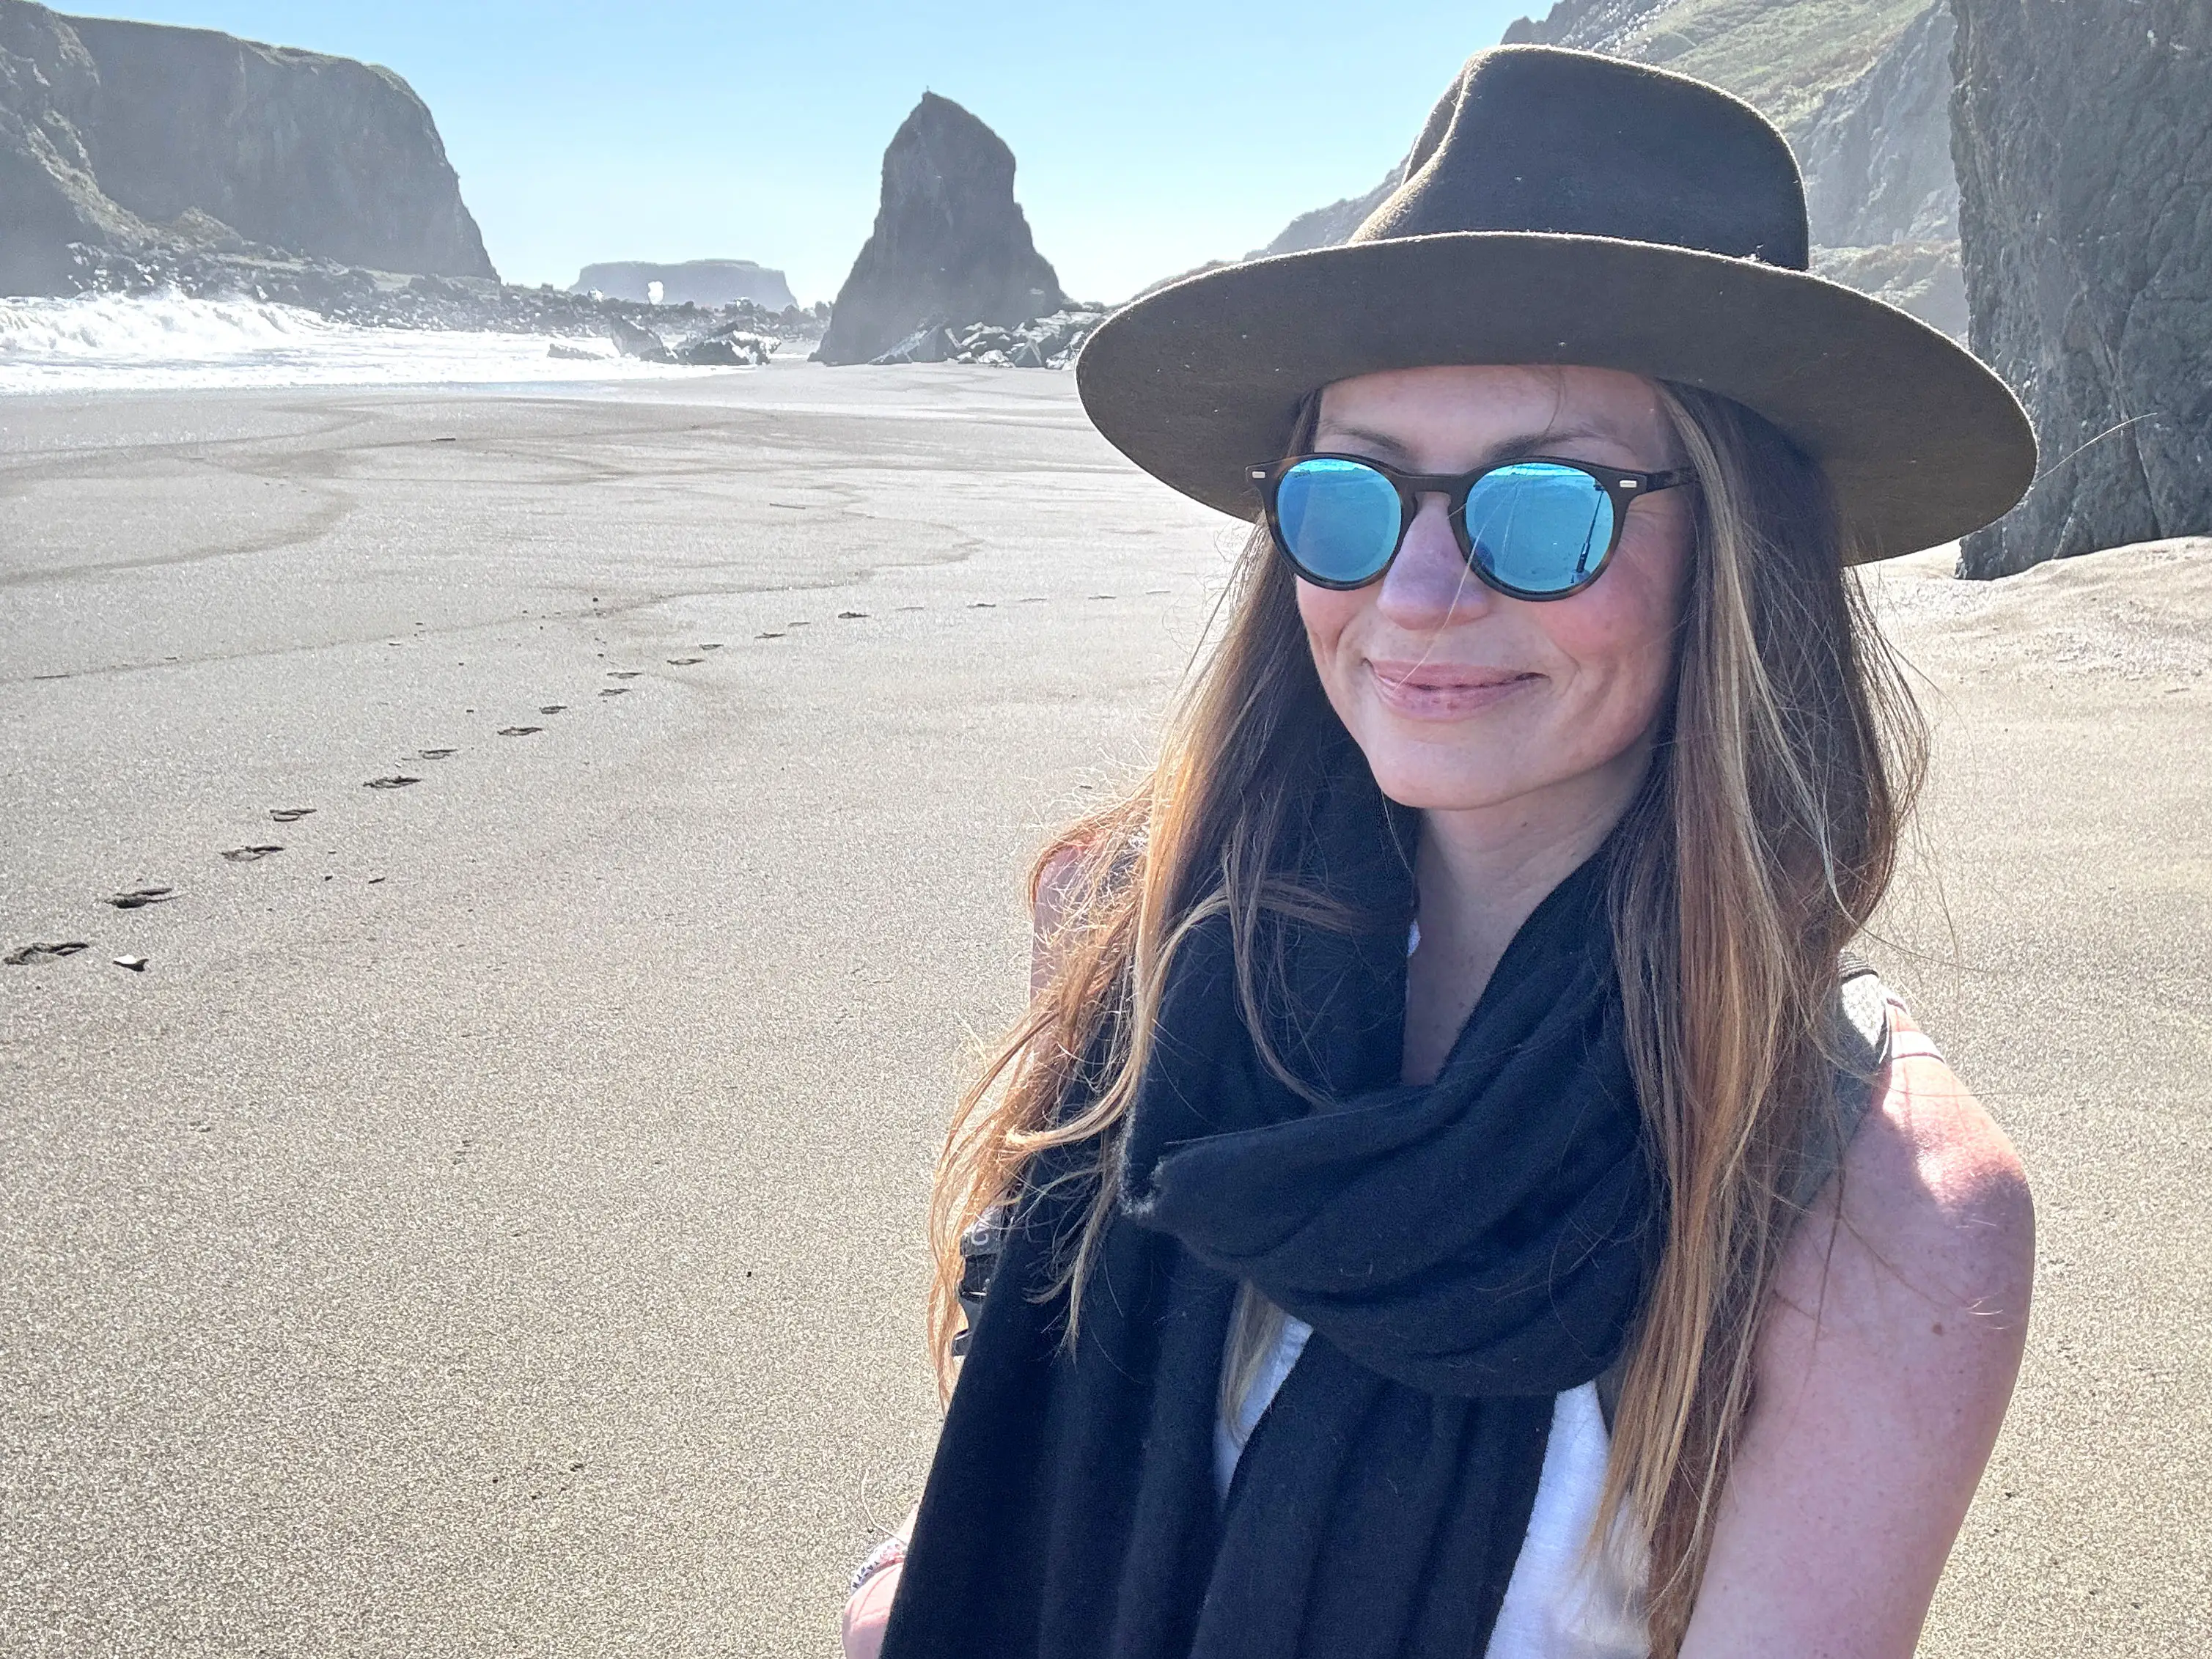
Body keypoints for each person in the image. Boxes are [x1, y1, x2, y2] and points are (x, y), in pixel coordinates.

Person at [844, 45, 2036, 1659]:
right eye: (1350, 494)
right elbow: (1003, 1458)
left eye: (1542, 507)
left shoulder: (1880, 1212)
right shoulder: (1130, 936)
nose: (1414, 595)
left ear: (1734, 550)